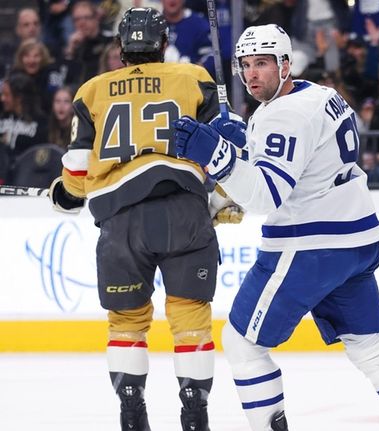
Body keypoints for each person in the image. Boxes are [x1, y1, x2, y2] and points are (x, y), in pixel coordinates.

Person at [172, 24, 379, 431]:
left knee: (242, 343)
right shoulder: (320, 95)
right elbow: (303, 159)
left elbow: (267, 195)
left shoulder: (284, 113)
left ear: (285, 63)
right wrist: (242, 145)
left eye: (262, 63)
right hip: (356, 241)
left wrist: (218, 157)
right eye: (245, 65)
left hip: (309, 245)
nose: (252, 74)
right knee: (374, 349)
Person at [48, 7, 242, 431]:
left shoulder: (92, 90)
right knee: (190, 318)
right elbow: (223, 150)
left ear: (120, 47)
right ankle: (195, 412)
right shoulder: (193, 78)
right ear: (163, 43)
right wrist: (223, 199)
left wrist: (64, 194)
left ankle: (131, 409)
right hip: (184, 211)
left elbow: (78, 174)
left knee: (126, 322)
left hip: (121, 220)